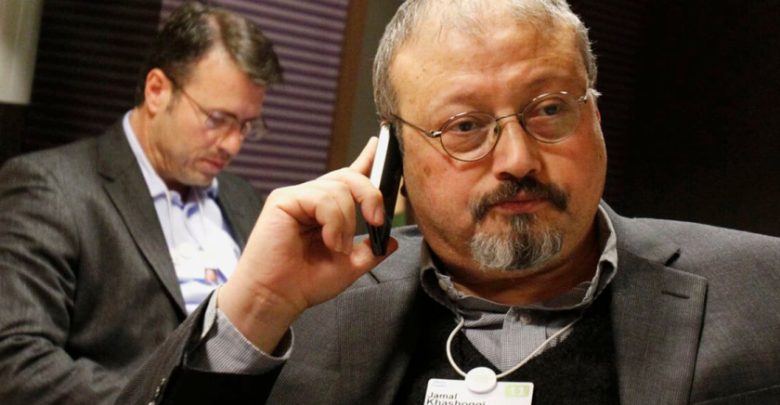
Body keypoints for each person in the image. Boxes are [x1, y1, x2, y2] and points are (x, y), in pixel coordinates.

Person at [120, 0, 780, 404]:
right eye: (464, 126)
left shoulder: (760, 287)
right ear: (395, 157)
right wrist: (258, 305)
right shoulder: (307, 317)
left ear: (596, 117)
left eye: (550, 110)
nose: (518, 159)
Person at [0, 3, 282, 404]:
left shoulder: (242, 198)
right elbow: (17, 362)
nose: (233, 144)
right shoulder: (52, 188)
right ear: (157, 90)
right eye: (217, 119)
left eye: (246, 125)